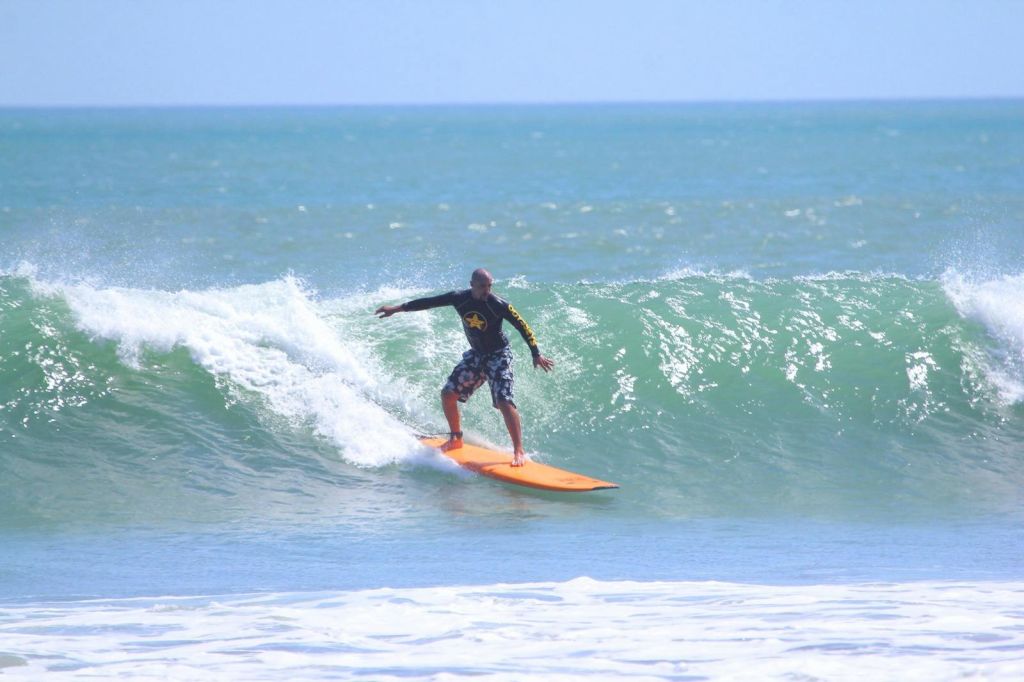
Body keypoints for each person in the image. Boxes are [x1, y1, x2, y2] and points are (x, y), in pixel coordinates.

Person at [375, 268, 554, 466]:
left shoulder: (499, 304)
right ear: (472, 285)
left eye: (489, 286)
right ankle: (455, 439)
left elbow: (523, 326)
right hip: (477, 354)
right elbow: (429, 302)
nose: (487, 290)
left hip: (498, 355)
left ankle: (518, 450)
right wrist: (396, 309)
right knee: (448, 394)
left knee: (504, 400)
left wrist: (536, 353)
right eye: (482, 286)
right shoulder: (459, 298)